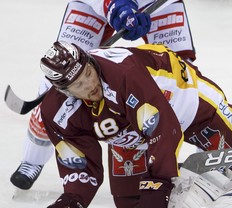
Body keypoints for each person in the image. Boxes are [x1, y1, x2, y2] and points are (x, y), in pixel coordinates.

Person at [38, 41, 232, 208]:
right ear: (64, 91)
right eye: (78, 85)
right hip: (132, 130)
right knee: (133, 204)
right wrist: (73, 201)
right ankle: (195, 189)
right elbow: (80, 162)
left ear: (89, 61)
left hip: (192, 106)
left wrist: (159, 181)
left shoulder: (125, 72)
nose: (89, 84)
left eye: (88, 73)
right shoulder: (57, 112)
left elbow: (163, 127)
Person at [11, 0, 196, 190]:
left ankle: (208, 144)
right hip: (93, 6)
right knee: (63, 75)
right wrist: (114, 5)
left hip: (156, 3)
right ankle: (32, 160)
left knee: (181, 72)